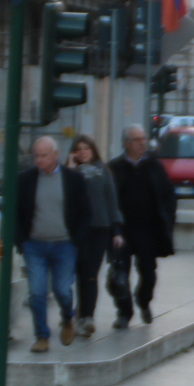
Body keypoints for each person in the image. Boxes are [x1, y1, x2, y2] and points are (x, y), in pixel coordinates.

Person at [15, 136, 90, 352]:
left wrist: (78, 240)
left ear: (56, 155)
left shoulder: (73, 179)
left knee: (62, 290)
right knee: (37, 292)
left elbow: (86, 212)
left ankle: (68, 317)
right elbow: (17, 212)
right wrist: (22, 241)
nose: (39, 160)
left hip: (65, 245)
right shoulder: (26, 179)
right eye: (36, 156)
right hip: (35, 245)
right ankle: (42, 336)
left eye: (44, 155)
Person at [106, 125, 177, 328]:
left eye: (143, 138)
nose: (142, 143)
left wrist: (168, 219)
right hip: (123, 231)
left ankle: (143, 301)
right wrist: (113, 229)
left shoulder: (154, 166)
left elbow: (168, 194)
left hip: (148, 230)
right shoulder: (115, 167)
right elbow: (109, 200)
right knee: (120, 275)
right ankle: (124, 313)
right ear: (126, 143)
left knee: (148, 272)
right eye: (136, 139)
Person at [67, 135, 123, 338]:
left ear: (93, 150)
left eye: (86, 148)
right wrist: (71, 167)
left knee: (89, 275)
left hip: (99, 228)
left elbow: (111, 201)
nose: (83, 152)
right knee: (72, 275)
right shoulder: (70, 173)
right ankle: (72, 314)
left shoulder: (103, 171)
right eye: (78, 149)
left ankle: (87, 317)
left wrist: (116, 231)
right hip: (75, 230)